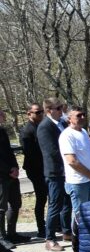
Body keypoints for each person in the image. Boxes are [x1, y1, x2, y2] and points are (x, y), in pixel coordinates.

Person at [38, 98, 71, 252]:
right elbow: (52, 151)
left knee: (67, 203)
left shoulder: (62, 123)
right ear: (49, 110)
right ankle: (49, 238)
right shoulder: (44, 127)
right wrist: (69, 159)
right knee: (55, 204)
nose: (61, 111)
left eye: (62, 107)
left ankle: (67, 232)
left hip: (66, 171)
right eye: (58, 108)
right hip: (55, 172)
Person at [59, 105, 90, 220]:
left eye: (83, 114)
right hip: (78, 182)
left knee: (89, 213)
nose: (82, 117)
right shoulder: (67, 135)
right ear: (69, 119)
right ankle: (77, 233)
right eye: (78, 115)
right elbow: (72, 161)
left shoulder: (84, 132)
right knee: (80, 216)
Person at [20, 103, 47, 240]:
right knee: (41, 198)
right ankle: (41, 228)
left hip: (45, 168)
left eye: (42, 111)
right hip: (36, 169)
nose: (41, 114)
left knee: (50, 197)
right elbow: (30, 153)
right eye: (37, 112)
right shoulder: (27, 131)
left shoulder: (41, 126)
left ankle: (54, 224)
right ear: (29, 114)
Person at [0, 109, 23, 244]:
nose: (3, 115)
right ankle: (1, 238)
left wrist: (15, 167)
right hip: (2, 176)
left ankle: (12, 234)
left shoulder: (2, 131)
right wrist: (9, 170)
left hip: (11, 175)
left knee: (15, 203)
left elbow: (9, 151)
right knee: (1, 207)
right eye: (0, 114)